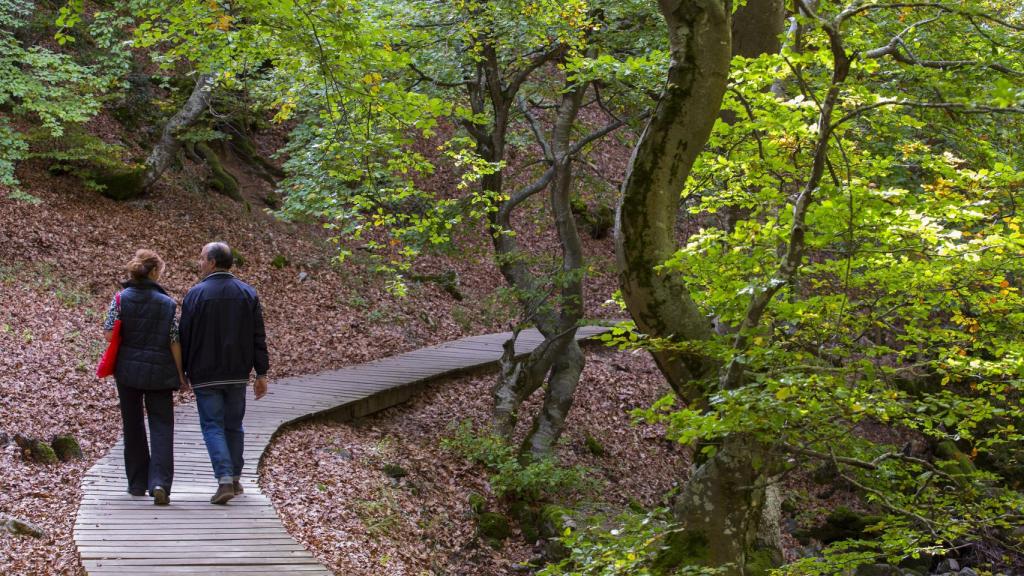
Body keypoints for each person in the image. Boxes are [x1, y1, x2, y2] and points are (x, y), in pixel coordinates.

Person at [179, 241, 269, 505]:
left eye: (201, 258)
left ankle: (224, 480)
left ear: (212, 262)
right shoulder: (247, 293)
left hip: (205, 374)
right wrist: (261, 372)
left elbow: (185, 335)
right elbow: (258, 336)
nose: (199, 263)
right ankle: (236, 477)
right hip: (237, 373)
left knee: (212, 426)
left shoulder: (195, 294)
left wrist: (181, 371)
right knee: (234, 425)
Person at [103, 249, 185, 506]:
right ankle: (160, 482)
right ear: (153, 272)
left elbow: (108, 333)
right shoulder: (168, 304)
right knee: (161, 425)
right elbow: (174, 340)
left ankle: (137, 483)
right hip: (160, 371)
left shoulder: (120, 299)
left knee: (133, 424)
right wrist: (180, 373)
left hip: (127, 371)